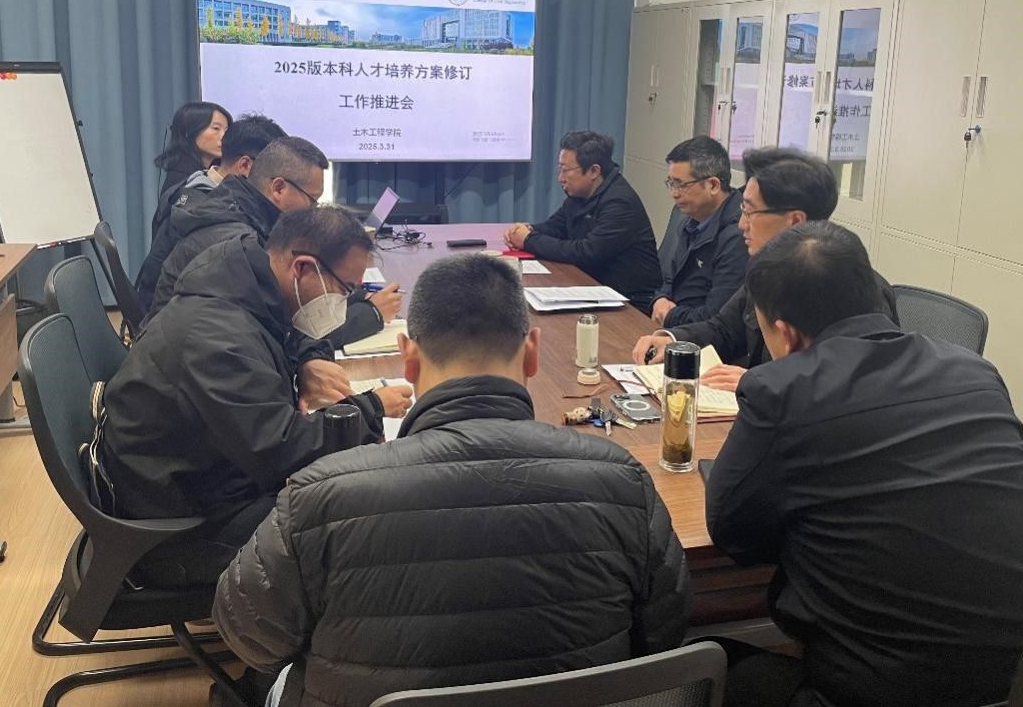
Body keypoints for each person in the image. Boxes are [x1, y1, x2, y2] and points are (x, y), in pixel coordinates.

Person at [214, 254, 691, 707]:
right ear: (532, 352)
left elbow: (249, 637)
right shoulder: (625, 484)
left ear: (408, 358)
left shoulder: (317, 497)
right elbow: (663, 635)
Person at [705, 222, 1023, 707]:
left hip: (886, 691)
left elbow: (733, 535)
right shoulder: (974, 372)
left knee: (707, 660)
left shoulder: (781, 390)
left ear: (785, 334)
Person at [93, 206, 412, 588]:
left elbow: (277, 357)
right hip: (185, 533)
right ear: (302, 269)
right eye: (345, 290)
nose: (344, 305)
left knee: (358, 485)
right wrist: (370, 408)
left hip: (202, 481)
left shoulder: (240, 289)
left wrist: (306, 363)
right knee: (371, 514)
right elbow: (279, 451)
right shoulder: (218, 337)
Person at [632, 147, 898, 389]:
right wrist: (673, 340)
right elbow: (724, 329)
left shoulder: (856, 288)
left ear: (795, 221)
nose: (741, 224)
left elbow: (850, 385)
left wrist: (758, 382)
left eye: (750, 212)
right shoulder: (766, 270)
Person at [141, 137, 403, 349]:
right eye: (312, 200)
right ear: (278, 188)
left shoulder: (245, 214)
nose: (313, 211)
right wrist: (371, 314)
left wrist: (349, 294)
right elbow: (284, 331)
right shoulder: (235, 245)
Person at [504, 131, 661, 311]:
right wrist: (527, 230)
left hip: (631, 302)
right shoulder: (581, 193)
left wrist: (528, 240)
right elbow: (556, 227)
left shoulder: (620, 203)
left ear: (594, 171)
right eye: (560, 169)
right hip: (595, 289)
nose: (560, 178)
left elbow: (587, 252)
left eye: (566, 170)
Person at [138, 113, 286, 302]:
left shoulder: (197, 181)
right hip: (171, 308)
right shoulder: (210, 210)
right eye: (275, 171)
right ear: (245, 166)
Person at [650, 136, 748, 328]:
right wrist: (660, 299)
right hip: (677, 326)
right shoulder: (689, 218)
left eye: (681, 184)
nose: (674, 193)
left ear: (713, 185)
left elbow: (717, 317)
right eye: (671, 183)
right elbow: (669, 278)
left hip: (703, 337)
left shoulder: (738, 235)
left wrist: (670, 315)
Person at [151, 101, 232, 236]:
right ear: (189, 132)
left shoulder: (212, 173)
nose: (224, 136)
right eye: (216, 129)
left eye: (227, 130)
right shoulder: (185, 180)